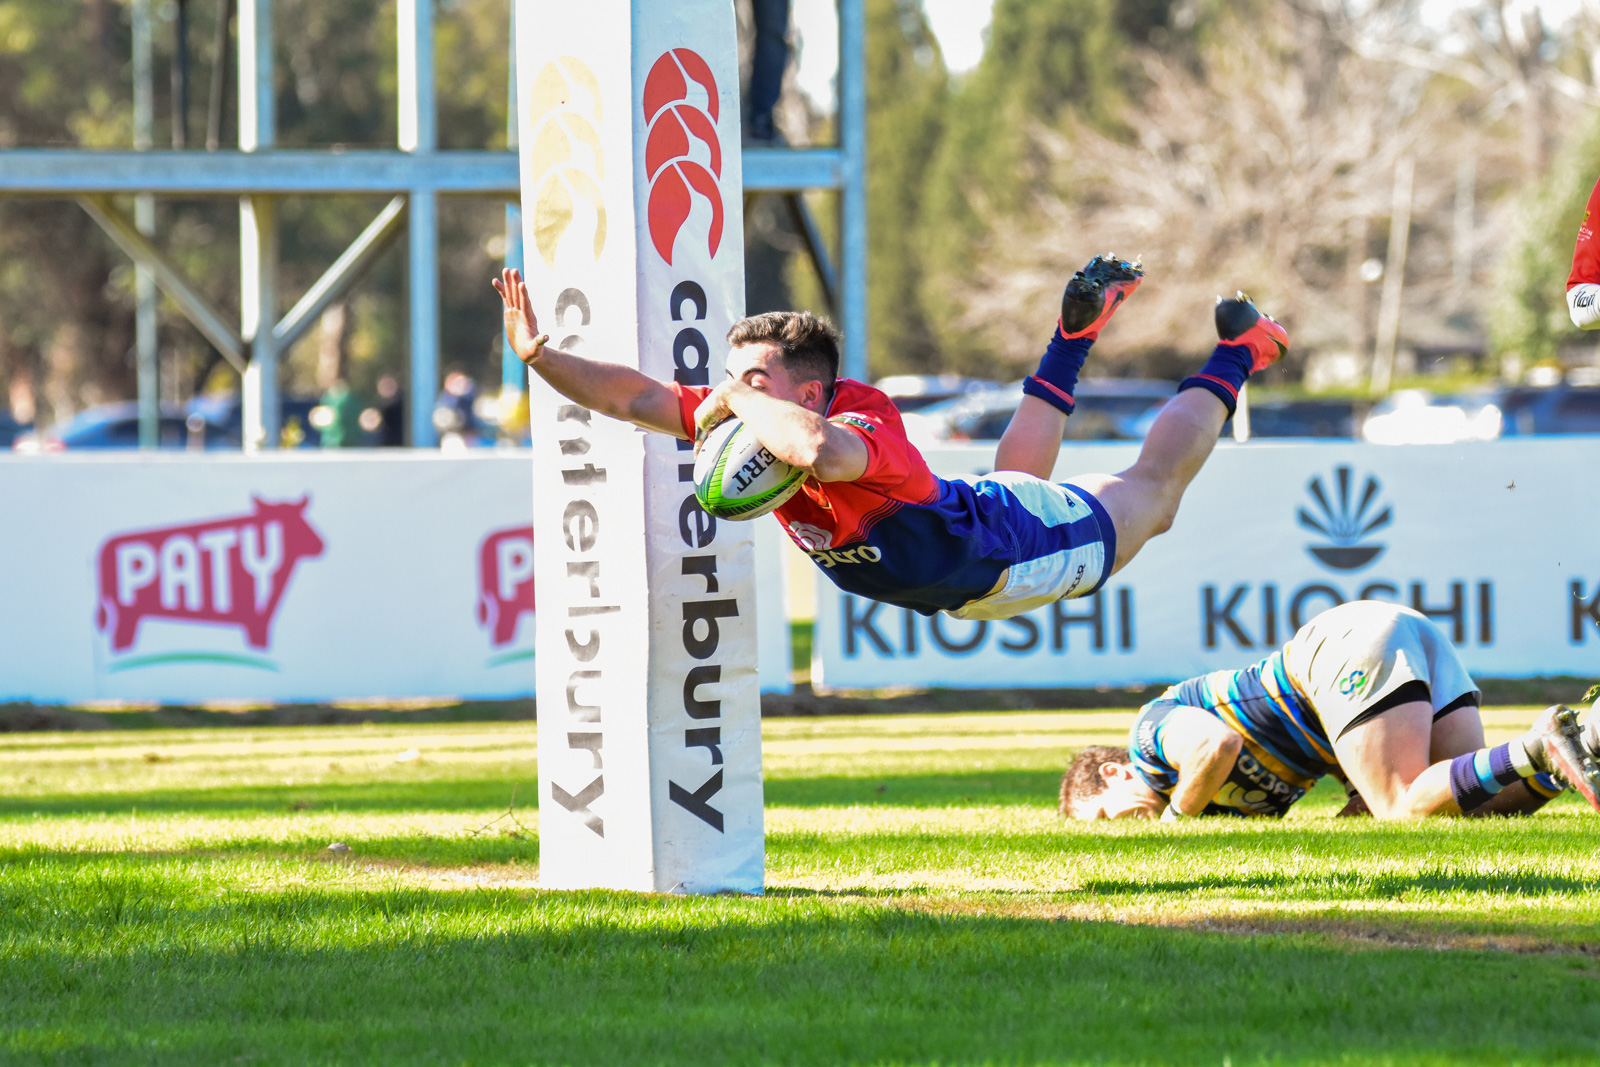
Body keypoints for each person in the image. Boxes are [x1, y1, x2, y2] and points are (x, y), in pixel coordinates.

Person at [493, 255, 1287, 621]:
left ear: (811, 391)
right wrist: (540, 357)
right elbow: (634, 395)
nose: (731, 394)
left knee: (1153, 495)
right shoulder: (755, 414)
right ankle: (1070, 339)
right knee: (1018, 481)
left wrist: (733, 394)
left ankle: (1242, 349)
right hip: (972, 529)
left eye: (752, 381)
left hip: (1005, 560)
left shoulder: (859, 420)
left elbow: (821, 454)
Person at [1060, 600, 1600, 821]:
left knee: (1403, 807)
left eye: (1105, 816)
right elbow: (1362, 791)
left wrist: (1176, 820)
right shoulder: (1212, 811)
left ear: (1113, 773)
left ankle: (1539, 743)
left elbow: (1216, 745)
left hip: (1337, 650)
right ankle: (1583, 741)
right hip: (1390, 642)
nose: (1124, 828)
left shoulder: (1149, 738)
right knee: (1469, 811)